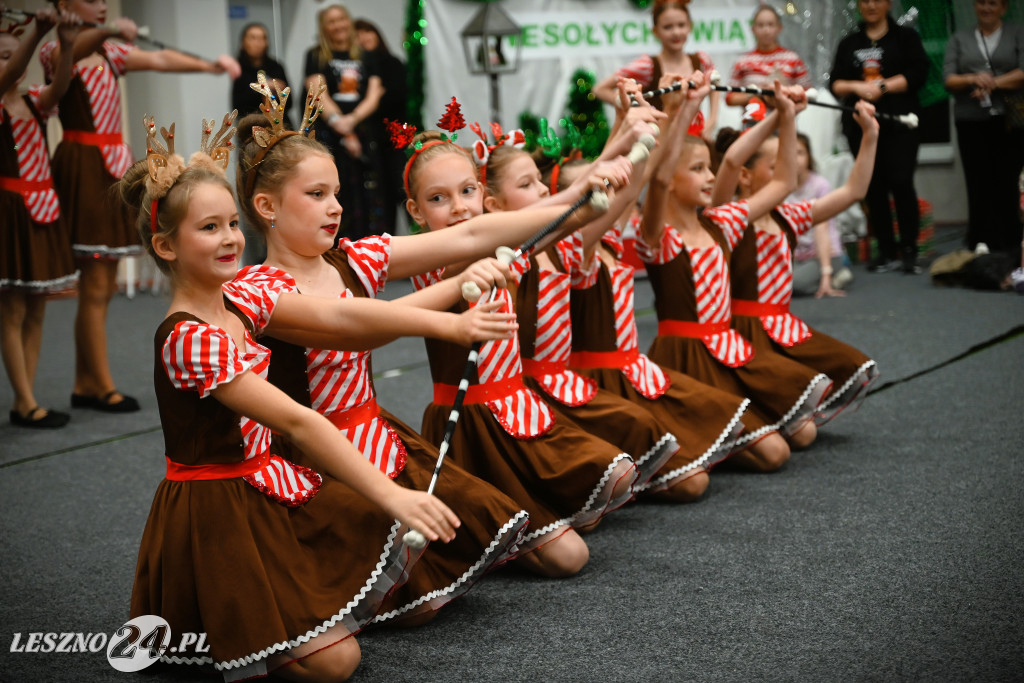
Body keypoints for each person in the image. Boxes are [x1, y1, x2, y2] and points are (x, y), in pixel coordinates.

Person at [120, 112, 460, 682]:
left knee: (387, 562)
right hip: (218, 508)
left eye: (231, 223)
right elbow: (301, 423)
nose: (230, 238)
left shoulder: (240, 307)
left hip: (267, 479)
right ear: (165, 245)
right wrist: (391, 495)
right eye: (208, 228)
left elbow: (338, 316)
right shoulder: (187, 338)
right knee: (337, 663)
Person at [227, 89, 532, 623]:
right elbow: (356, 328)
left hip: (378, 434)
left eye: (337, 193)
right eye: (317, 194)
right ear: (267, 206)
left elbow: (478, 232)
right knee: (413, 603)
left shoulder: (356, 259)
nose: (336, 207)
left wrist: (577, 197)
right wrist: (456, 298)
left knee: (483, 538)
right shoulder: (257, 289)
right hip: (314, 460)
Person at [405, 129, 640, 575]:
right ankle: (499, 530)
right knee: (570, 558)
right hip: (472, 425)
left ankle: (524, 522)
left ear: (483, 193)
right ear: (415, 211)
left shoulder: (499, 245)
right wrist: (582, 185)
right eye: (438, 199)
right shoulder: (428, 258)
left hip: (516, 406)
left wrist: (621, 144)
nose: (457, 207)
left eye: (467, 191)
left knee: (616, 475)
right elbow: (474, 239)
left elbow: (556, 215)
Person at [42, 0, 240, 413]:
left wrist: (208, 66)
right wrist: (109, 29)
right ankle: (97, 383)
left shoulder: (109, 51)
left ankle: (88, 380)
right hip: (83, 165)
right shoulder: (56, 50)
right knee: (95, 286)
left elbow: (161, 58)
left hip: (110, 163)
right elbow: (67, 54)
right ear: (63, 5)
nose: (98, 4)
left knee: (101, 285)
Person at [477, 124, 684, 497]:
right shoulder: (508, 257)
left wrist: (648, 129)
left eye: (539, 182)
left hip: (567, 383)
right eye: (527, 185)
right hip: (532, 392)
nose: (543, 190)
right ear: (493, 205)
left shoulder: (563, 246)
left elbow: (627, 192)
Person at [637, 73, 829, 471]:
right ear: (671, 182)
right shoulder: (659, 237)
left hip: (725, 353)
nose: (711, 177)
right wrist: (687, 107)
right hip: (684, 358)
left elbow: (784, 181)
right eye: (698, 169)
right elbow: (654, 178)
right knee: (774, 453)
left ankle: (719, 433)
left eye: (711, 168)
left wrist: (784, 116)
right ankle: (707, 434)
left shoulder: (719, 224)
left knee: (796, 439)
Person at [712, 98, 881, 425]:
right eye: (776, 166)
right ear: (745, 177)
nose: (790, 171)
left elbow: (853, 191)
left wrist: (870, 135)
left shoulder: (787, 216)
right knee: (801, 428)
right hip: (744, 335)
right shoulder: (727, 218)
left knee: (848, 364)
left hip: (782, 326)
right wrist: (784, 117)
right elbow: (731, 163)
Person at [1, 7, 79, 428]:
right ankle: (26, 400)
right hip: (9, 214)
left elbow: (59, 88)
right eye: (1, 55)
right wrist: (36, 32)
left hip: (42, 210)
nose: (10, 63)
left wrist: (65, 45)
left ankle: (24, 399)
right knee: (11, 310)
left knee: (36, 308)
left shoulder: (32, 100)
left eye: (13, 54)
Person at [829, 0, 929, 274]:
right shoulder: (849, 42)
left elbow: (919, 73)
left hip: (900, 124)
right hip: (861, 127)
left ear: (888, 4)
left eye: (877, 0)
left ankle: (909, 249)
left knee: (901, 182)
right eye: (865, 0)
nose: (871, 5)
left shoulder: (905, 37)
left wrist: (883, 87)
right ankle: (885, 251)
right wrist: (860, 87)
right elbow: (835, 83)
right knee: (872, 188)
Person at [943, 0, 1024, 255]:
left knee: (1008, 179)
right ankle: (979, 238)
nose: (986, 8)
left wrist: (993, 84)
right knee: (977, 180)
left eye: (993, 3)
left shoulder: (1017, 32)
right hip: (970, 120)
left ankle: (1011, 240)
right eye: (981, 3)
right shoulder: (959, 38)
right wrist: (972, 78)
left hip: (1009, 120)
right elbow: (948, 79)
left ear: (1004, 7)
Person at [304, 4, 387, 240]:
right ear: (324, 27)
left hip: (362, 132)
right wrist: (338, 122)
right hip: (330, 133)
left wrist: (352, 120)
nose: (338, 25)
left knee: (368, 194)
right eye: (331, 21)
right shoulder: (315, 55)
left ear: (348, 21)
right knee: (338, 191)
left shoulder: (366, 55)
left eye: (341, 19)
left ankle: (368, 250)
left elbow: (373, 94)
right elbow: (316, 91)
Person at [593, 0, 720, 141]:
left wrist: (712, 119)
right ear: (655, 31)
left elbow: (714, 82)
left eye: (681, 25)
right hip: (661, 140)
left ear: (690, 26)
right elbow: (600, 89)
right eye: (667, 27)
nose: (676, 32)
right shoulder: (648, 65)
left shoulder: (701, 60)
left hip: (694, 138)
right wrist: (629, 106)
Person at [231, 21, 291, 266]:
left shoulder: (276, 66)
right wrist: (268, 89)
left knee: (282, 190)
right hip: (250, 139)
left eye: (262, 37)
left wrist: (275, 90)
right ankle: (256, 256)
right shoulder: (239, 69)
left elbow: (290, 100)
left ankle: (285, 250)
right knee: (252, 193)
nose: (257, 42)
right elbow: (240, 103)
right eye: (252, 37)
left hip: (279, 136)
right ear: (244, 42)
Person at [355, 18, 407, 235]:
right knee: (380, 198)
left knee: (403, 190)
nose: (365, 38)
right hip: (369, 141)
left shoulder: (392, 63)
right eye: (358, 35)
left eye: (368, 32)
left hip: (395, 139)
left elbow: (398, 97)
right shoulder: (358, 68)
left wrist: (372, 100)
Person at [788, 133, 854, 297]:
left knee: (795, 284)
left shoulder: (820, 185)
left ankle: (833, 274)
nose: (795, 159)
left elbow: (822, 229)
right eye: (789, 153)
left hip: (824, 255)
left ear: (809, 156)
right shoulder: (781, 188)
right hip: (797, 256)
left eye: (800, 153)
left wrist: (825, 275)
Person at [726, 5, 812, 109]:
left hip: (784, 120)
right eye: (760, 25)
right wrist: (757, 92)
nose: (766, 30)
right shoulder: (742, 61)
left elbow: (809, 93)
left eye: (771, 25)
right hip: (753, 122)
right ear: (753, 29)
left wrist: (785, 91)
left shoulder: (792, 59)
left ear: (779, 28)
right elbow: (729, 98)